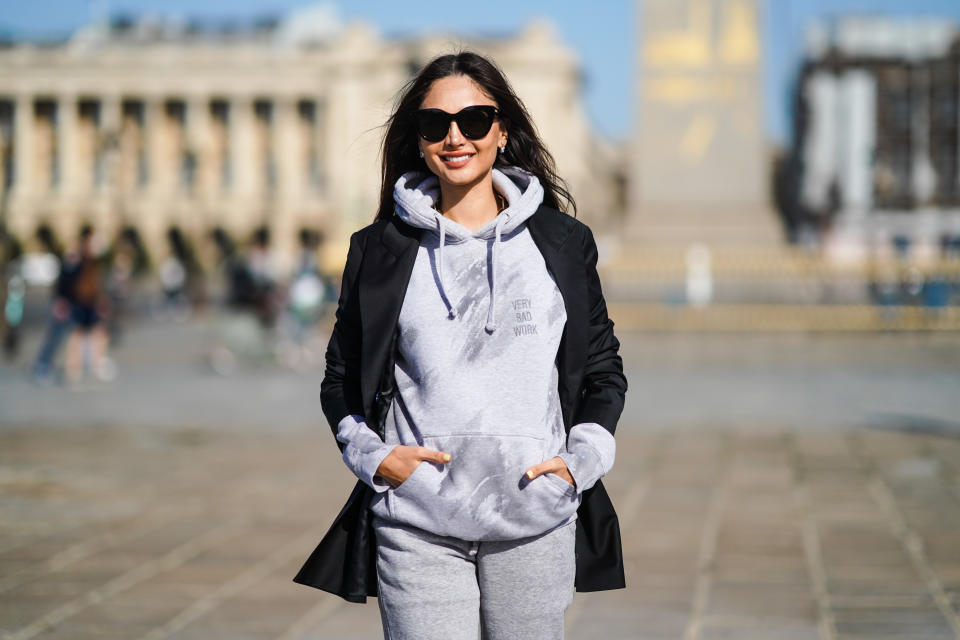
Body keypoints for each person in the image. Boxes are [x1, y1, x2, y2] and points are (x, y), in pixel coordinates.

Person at [293, 51, 628, 640]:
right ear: (418, 140)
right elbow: (340, 377)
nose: (455, 137)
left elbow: (601, 369)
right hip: (418, 521)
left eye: (474, 120)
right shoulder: (380, 248)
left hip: (533, 516)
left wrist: (580, 465)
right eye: (435, 124)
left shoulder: (562, 242)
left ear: (502, 130)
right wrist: (375, 459)